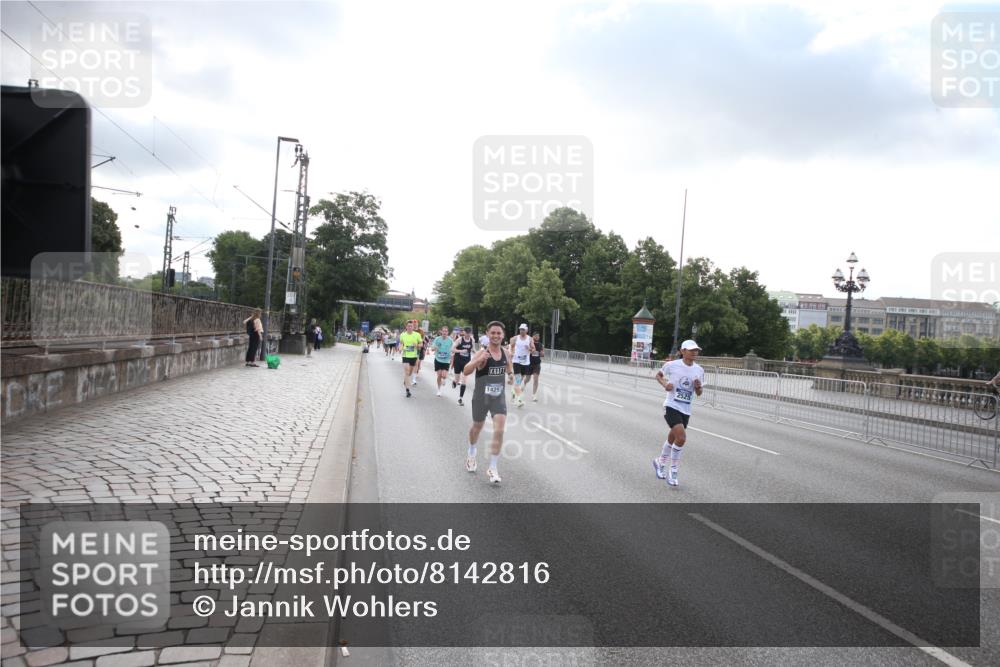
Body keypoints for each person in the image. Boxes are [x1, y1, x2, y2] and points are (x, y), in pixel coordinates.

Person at [464, 321, 514, 484]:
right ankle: (471, 453)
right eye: (492, 333)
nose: (496, 336)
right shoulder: (482, 353)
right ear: (487, 334)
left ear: (503, 335)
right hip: (481, 396)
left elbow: (509, 368)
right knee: (476, 427)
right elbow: (466, 370)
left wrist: (511, 375)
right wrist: (477, 362)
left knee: (499, 429)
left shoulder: (506, 353)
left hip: (497, 397)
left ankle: (493, 468)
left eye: (499, 333)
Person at [652, 339, 705, 488]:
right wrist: (665, 385)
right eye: (691, 350)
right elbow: (658, 375)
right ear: (683, 351)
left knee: (674, 436)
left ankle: (660, 462)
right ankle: (673, 470)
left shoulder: (699, 370)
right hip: (671, 405)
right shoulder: (672, 365)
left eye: (696, 350)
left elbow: (699, 393)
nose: (695, 352)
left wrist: (698, 387)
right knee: (681, 437)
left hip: (686, 408)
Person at [508, 323, 535, 407]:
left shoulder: (530, 339)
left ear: (526, 330)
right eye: (520, 329)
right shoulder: (515, 338)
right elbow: (511, 346)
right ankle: (519, 400)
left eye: (523, 329)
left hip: (526, 362)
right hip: (516, 361)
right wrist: (511, 349)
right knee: (518, 379)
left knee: (519, 381)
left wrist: (529, 349)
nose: (521, 331)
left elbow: (533, 350)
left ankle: (513, 391)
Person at [398, 321, 423, 398]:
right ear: (406, 327)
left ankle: (406, 380)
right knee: (407, 371)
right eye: (408, 326)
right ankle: (407, 390)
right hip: (405, 356)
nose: (410, 327)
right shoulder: (402, 335)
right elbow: (401, 343)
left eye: (411, 326)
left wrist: (417, 345)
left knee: (410, 373)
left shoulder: (417, 335)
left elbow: (421, 345)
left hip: (414, 356)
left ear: (413, 327)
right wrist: (400, 348)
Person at [452, 327, 475, 406]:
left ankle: (460, 398)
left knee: (464, 380)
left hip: (466, 362)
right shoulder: (459, 340)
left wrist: (478, 354)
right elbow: (452, 349)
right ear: (464, 332)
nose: (468, 334)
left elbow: (473, 349)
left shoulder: (472, 340)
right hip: (458, 361)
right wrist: (461, 351)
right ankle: (454, 381)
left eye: (469, 332)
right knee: (457, 380)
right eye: (466, 332)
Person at [431, 325, 455, 397]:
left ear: (448, 332)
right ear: (441, 331)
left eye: (446, 331)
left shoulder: (450, 340)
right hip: (438, 359)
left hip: (446, 360)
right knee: (439, 375)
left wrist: (452, 358)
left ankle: (444, 379)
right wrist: (435, 348)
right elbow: (432, 348)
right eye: (443, 331)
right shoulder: (437, 339)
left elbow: (453, 350)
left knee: (444, 376)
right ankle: (439, 390)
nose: (444, 332)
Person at [528, 331, 544, 401]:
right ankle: (522, 386)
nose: (537, 337)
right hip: (528, 363)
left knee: (536, 379)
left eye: (538, 336)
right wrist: (531, 351)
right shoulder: (529, 343)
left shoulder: (540, 345)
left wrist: (541, 353)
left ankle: (534, 395)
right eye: (536, 336)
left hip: (537, 364)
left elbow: (542, 354)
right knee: (527, 379)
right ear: (533, 336)